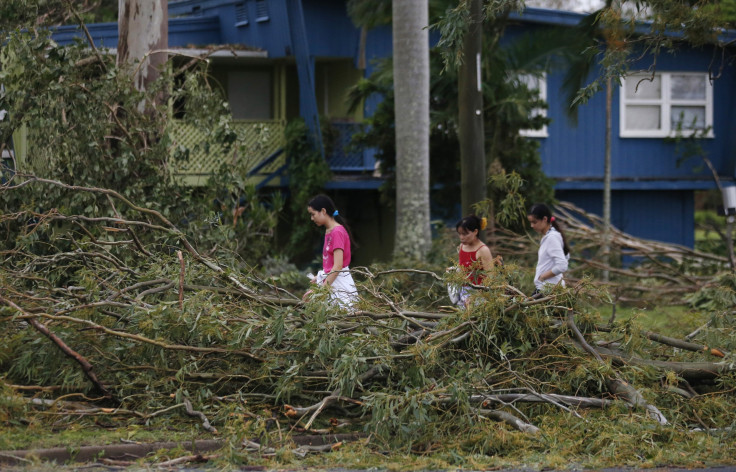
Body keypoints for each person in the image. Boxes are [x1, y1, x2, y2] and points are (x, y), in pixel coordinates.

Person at [305, 194, 359, 309]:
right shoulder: (329, 231)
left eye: (313, 214)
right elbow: (330, 265)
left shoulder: (337, 232)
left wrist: (321, 291)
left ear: (323, 211)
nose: (312, 218)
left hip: (340, 287)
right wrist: (319, 277)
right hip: (332, 283)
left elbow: (338, 266)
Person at [448, 215, 494, 308]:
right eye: (459, 234)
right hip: (463, 291)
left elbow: (491, 277)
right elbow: (464, 268)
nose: (461, 237)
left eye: (465, 234)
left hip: (479, 293)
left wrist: (476, 296)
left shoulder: (482, 250)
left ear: (475, 231)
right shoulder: (462, 246)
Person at [527, 203, 570, 296]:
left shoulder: (552, 238)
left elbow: (562, 265)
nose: (532, 225)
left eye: (534, 222)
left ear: (545, 219)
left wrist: (542, 277)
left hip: (549, 290)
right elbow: (566, 257)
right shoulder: (550, 236)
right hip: (546, 289)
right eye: (530, 222)